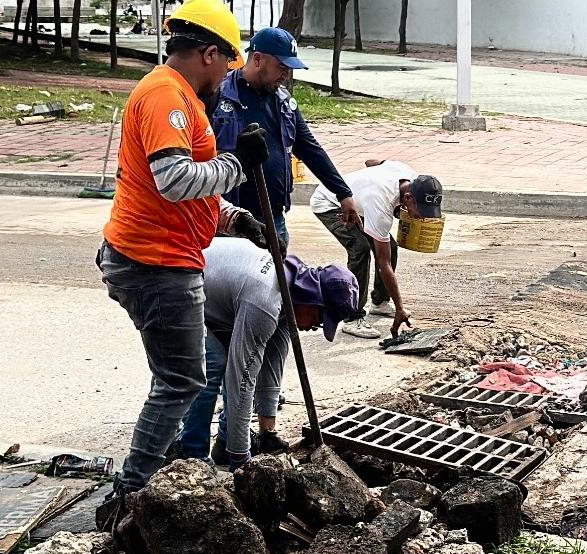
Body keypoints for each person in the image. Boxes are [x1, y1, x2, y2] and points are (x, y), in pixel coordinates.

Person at [95, 0, 269, 515]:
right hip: (155, 263)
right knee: (182, 378)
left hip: (162, 255)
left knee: (176, 373)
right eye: (227, 65)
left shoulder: (178, 98)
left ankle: (154, 467)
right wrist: (237, 165)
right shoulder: (164, 95)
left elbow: (185, 189)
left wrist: (233, 218)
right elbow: (173, 181)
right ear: (209, 54)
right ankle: (133, 492)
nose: (227, 79)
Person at [175, 238, 359, 467]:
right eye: (321, 319)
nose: (316, 327)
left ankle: (225, 443)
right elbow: (241, 379)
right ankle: (191, 457)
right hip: (173, 287)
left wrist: (267, 433)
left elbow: (271, 365)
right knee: (213, 364)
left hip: (210, 296)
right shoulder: (266, 301)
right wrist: (242, 461)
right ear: (314, 299)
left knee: (238, 362)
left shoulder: (290, 289)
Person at [210, 26, 359, 249]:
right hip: (229, 224)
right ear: (258, 59)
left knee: (275, 283)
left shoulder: (282, 102)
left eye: (289, 68)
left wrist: (343, 193)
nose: (286, 75)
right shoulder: (218, 95)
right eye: (281, 67)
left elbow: (310, 149)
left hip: (274, 220)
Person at [312, 160, 441, 339]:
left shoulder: (407, 173)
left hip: (361, 202)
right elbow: (383, 262)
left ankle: (379, 302)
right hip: (329, 202)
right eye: (421, 211)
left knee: (391, 247)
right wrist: (400, 308)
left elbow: (372, 162)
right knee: (360, 248)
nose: (422, 217)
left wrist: (363, 186)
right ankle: (352, 317)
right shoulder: (381, 204)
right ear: (408, 198)